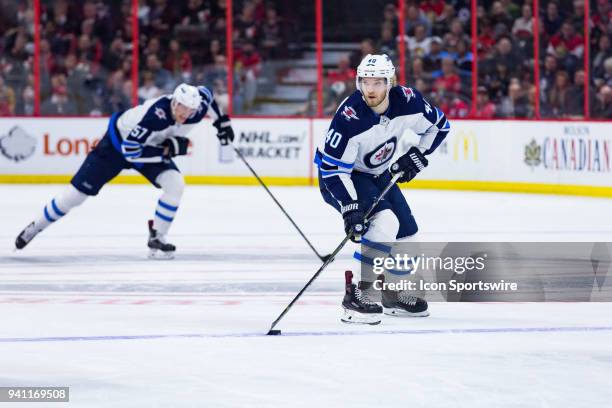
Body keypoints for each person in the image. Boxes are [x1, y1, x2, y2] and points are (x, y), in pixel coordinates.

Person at [15, 83, 234, 259]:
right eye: (182, 109)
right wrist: (167, 152)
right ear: (174, 103)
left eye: (190, 111)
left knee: (175, 184)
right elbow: (131, 152)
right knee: (74, 197)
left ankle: (158, 236)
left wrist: (222, 123)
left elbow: (210, 99)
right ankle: (36, 226)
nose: (185, 115)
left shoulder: (196, 106)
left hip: (151, 146)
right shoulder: (155, 116)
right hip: (117, 145)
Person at [314, 54, 450, 325]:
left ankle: (392, 294)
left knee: (407, 234)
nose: (371, 89)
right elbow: (332, 170)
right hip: (343, 179)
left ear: (391, 82)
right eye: (365, 82)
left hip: (378, 173)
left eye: (378, 82)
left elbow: (439, 125)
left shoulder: (408, 101)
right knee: (384, 220)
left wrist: (418, 155)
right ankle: (357, 295)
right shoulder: (349, 117)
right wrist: (350, 207)